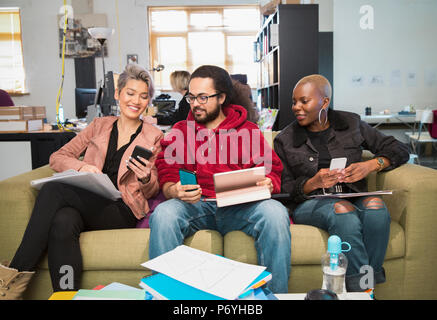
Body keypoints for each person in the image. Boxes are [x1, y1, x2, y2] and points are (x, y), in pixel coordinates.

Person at [0, 64, 163, 299]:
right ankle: (65, 295)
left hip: (123, 208)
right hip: (91, 199)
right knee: (63, 220)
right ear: (117, 94)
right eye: (130, 93)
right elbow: (57, 157)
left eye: (143, 96)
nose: (136, 101)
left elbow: (153, 188)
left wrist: (146, 178)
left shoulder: (154, 136)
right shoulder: (99, 126)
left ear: (148, 101)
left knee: (55, 191)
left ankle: (12, 278)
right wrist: (82, 166)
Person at [149, 65, 291, 293]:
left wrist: (268, 182)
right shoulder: (181, 130)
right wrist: (173, 189)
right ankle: (164, 295)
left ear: (222, 97)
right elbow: (166, 168)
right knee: (164, 214)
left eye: (203, 97)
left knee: (275, 212)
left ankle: (274, 296)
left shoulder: (248, 130)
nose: (195, 103)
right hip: (196, 206)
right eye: (191, 97)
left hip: (240, 208)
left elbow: (271, 169)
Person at [274, 74, 409, 293]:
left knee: (376, 208)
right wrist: (312, 182)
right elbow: (283, 189)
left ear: (324, 102)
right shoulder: (285, 139)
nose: (296, 107)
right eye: (294, 102)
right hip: (312, 203)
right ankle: (363, 292)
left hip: (353, 193)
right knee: (342, 210)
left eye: (304, 101)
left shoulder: (351, 123)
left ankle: (365, 290)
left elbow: (399, 149)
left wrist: (372, 164)